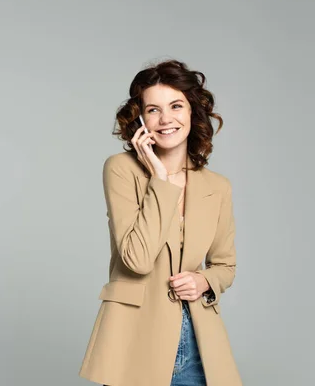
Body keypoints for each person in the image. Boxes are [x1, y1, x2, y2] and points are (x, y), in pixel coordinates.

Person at [79, 59, 242, 386]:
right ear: (140, 119)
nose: (166, 118)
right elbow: (136, 260)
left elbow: (225, 265)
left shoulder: (217, 187)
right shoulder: (121, 170)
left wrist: (204, 281)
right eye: (153, 109)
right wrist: (161, 178)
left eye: (176, 106)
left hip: (198, 341)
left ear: (192, 113)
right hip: (134, 338)